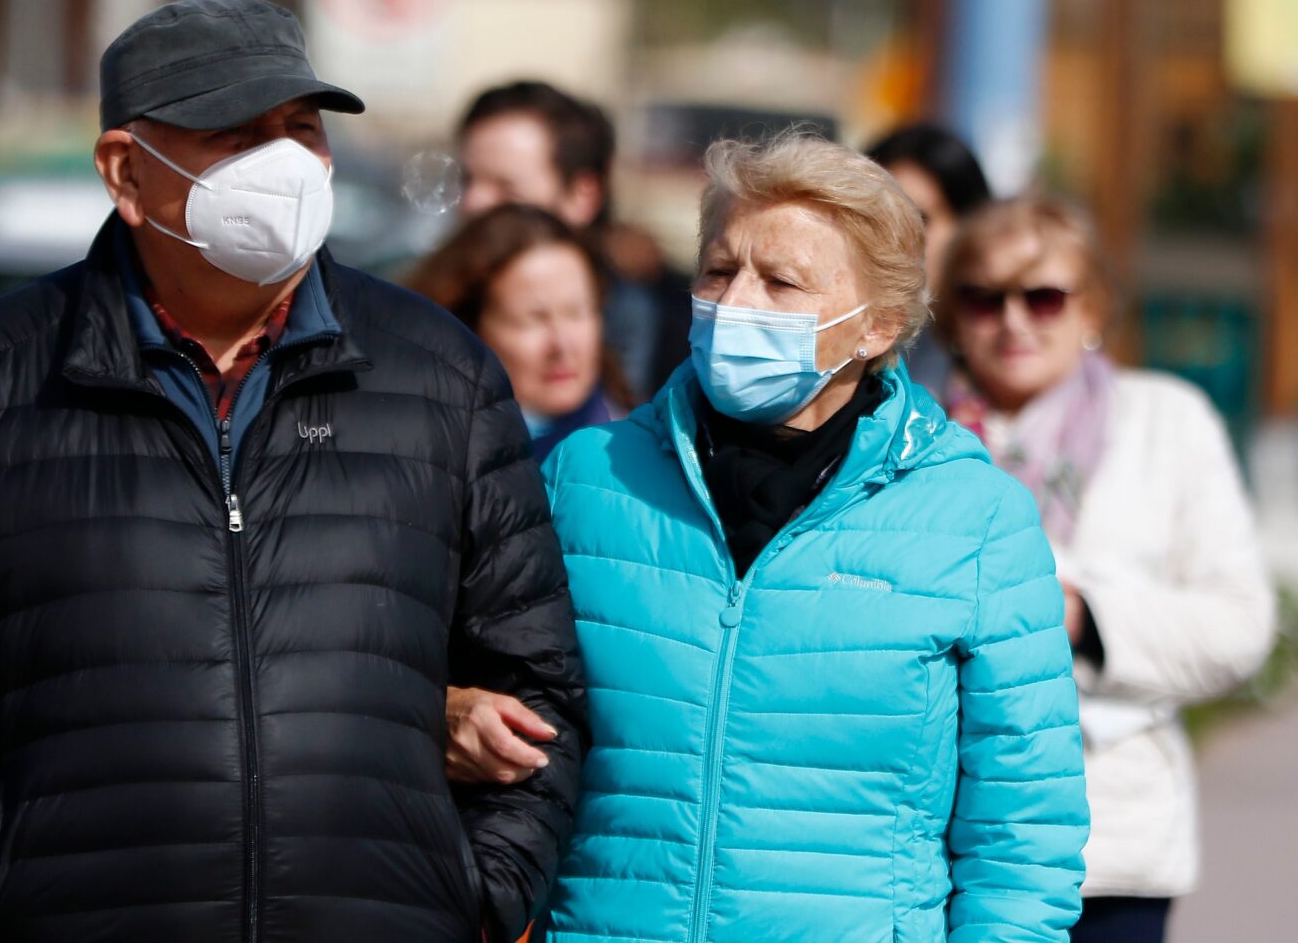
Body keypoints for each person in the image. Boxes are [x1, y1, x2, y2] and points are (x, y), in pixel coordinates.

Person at [0, 0, 586, 943]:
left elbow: (539, 681)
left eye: (301, 129)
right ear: (126, 172)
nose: (285, 165)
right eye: (236, 136)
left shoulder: (441, 375)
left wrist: (480, 895)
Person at [450, 131, 1090, 941]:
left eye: (781, 281)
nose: (735, 303)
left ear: (878, 325)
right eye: (719, 271)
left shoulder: (976, 518)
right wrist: (449, 709)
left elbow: (1024, 836)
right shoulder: (587, 478)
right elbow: (462, 685)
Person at [936, 197, 1276, 943]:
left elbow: (1240, 626)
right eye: (985, 298)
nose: (1014, 322)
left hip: (1111, 845)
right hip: (944, 845)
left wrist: (1083, 618)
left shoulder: (1168, 422)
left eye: (1044, 297)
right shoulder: (913, 434)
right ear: (953, 314)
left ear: (1090, 308)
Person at [457, 80, 689, 401]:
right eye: (466, 180)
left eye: (507, 188)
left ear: (582, 195)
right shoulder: (424, 308)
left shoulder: (658, 330)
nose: (473, 203)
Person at [411, 204, 630, 462]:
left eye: (576, 313)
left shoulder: (637, 455)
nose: (562, 344)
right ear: (468, 328)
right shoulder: (421, 456)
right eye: (533, 319)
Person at [866, 122, 992, 400]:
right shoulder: (827, 341)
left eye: (918, 219)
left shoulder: (1005, 345)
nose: (894, 238)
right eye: (877, 218)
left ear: (969, 229)